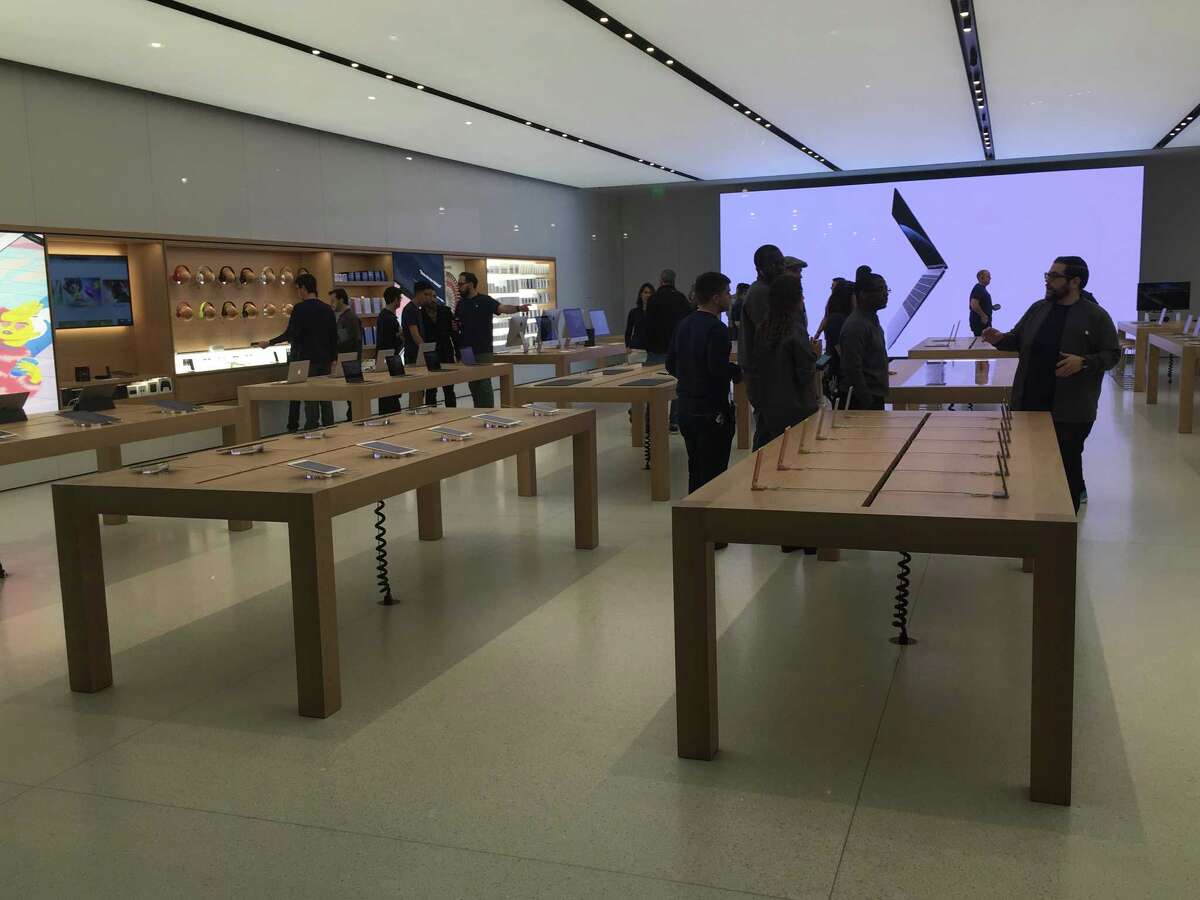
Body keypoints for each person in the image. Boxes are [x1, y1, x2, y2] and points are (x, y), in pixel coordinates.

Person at [981, 256, 1119, 511]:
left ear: (1075, 281)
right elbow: (1017, 339)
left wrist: (1084, 362)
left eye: (1054, 276)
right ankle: (1036, 514)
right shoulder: (1038, 309)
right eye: (1047, 275)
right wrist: (999, 339)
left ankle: (1064, 527)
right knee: (1032, 462)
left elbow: (1113, 354)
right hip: (1029, 402)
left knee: (1067, 466)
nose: (1048, 281)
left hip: (1071, 410)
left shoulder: (1096, 316)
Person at [666, 271, 740, 506]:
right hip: (712, 411)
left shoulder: (684, 324)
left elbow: (670, 363)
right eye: (728, 293)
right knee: (714, 474)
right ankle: (713, 535)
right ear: (716, 297)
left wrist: (690, 378)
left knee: (695, 470)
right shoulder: (717, 329)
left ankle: (695, 528)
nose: (731, 297)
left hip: (687, 407)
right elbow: (716, 369)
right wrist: (737, 372)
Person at [255, 272, 337, 431]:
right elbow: (333, 337)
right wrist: (333, 359)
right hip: (324, 360)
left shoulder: (299, 309)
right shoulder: (327, 309)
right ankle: (330, 428)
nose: (298, 292)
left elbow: (291, 333)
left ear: (304, 288)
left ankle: (312, 429)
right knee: (326, 397)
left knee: (310, 398)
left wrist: (269, 342)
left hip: (305, 360)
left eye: (298, 289)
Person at [749, 275, 820, 447]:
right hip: (797, 410)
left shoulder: (763, 328)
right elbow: (804, 374)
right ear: (797, 299)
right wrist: (813, 355)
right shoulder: (796, 330)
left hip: (770, 409)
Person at [455, 271, 528, 407]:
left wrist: (518, 308)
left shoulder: (485, 300)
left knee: (483, 383)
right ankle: (478, 411)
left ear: (470, 284)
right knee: (473, 384)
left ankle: (488, 412)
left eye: (461, 284)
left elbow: (502, 308)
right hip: (466, 350)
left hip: (482, 349)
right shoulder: (461, 304)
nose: (458, 287)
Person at [738, 244, 787, 448]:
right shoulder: (760, 293)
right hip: (764, 376)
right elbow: (771, 336)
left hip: (768, 374)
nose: (781, 268)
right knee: (768, 433)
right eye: (775, 264)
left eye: (782, 262)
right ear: (760, 267)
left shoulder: (768, 291)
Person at [643, 268, 692, 430]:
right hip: (676, 349)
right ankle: (674, 420)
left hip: (656, 348)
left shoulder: (654, 298)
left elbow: (648, 324)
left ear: (660, 280)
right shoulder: (680, 298)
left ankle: (651, 418)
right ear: (674, 280)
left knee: (653, 384)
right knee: (676, 384)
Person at [839, 270, 890, 410]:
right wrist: (867, 401)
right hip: (861, 401)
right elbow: (852, 367)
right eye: (880, 289)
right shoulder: (856, 325)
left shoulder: (870, 319)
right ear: (863, 294)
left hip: (873, 396)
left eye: (886, 289)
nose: (885, 294)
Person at [814, 279, 855, 402]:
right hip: (839, 375)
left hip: (835, 369)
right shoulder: (838, 319)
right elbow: (838, 350)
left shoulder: (836, 317)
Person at [402, 280, 437, 409]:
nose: (429, 298)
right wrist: (426, 351)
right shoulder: (410, 310)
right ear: (419, 294)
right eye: (426, 295)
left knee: (419, 390)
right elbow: (415, 334)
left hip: (418, 355)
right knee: (416, 391)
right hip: (414, 356)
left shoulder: (416, 310)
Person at [331, 288, 364, 421]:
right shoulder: (347, 317)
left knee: (353, 397)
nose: (332, 304)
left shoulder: (349, 318)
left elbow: (352, 340)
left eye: (333, 300)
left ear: (341, 300)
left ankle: (354, 420)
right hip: (350, 361)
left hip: (350, 362)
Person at [422, 296, 459, 408]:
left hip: (446, 353)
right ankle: (431, 416)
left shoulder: (445, 311)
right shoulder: (420, 313)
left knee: (449, 389)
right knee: (431, 390)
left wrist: (458, 353)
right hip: (430, 355)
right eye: (428, 296)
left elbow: (454, 334)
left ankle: (452, 415)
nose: (432, 299)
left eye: (434, 296)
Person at [377, 286, 403, 414]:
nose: (400, 301)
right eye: (400, 299)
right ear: (394, 299)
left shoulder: (382, 316)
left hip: (385, 358)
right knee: (391, 395)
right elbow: (393, 340)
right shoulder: (390, 319)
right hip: (391, 359)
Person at [781, 255, 810, 331]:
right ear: (783, 272)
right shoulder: (776, 297)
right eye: (794, 271)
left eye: (800, 271)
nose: (800, 276)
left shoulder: (797, 295)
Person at [969, 269, 1001, 336]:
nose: (990, 278)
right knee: (982, 343)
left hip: (984, 323)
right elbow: (973, 304)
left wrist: (991, 307)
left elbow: (981, 304)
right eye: (988, 276)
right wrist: (983, 316)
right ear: (981, 277)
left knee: (986, 342)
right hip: (980, 323)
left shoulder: (982, 289)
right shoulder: (978, 288)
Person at [625, 283, 652, 349]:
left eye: (650, 293)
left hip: (651, 349)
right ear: (641, 294)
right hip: (636, 348)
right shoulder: (633, 312)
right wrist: (627, 346)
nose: (648, 295)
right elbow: (628, 331)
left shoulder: (655, 312)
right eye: (645, 292)